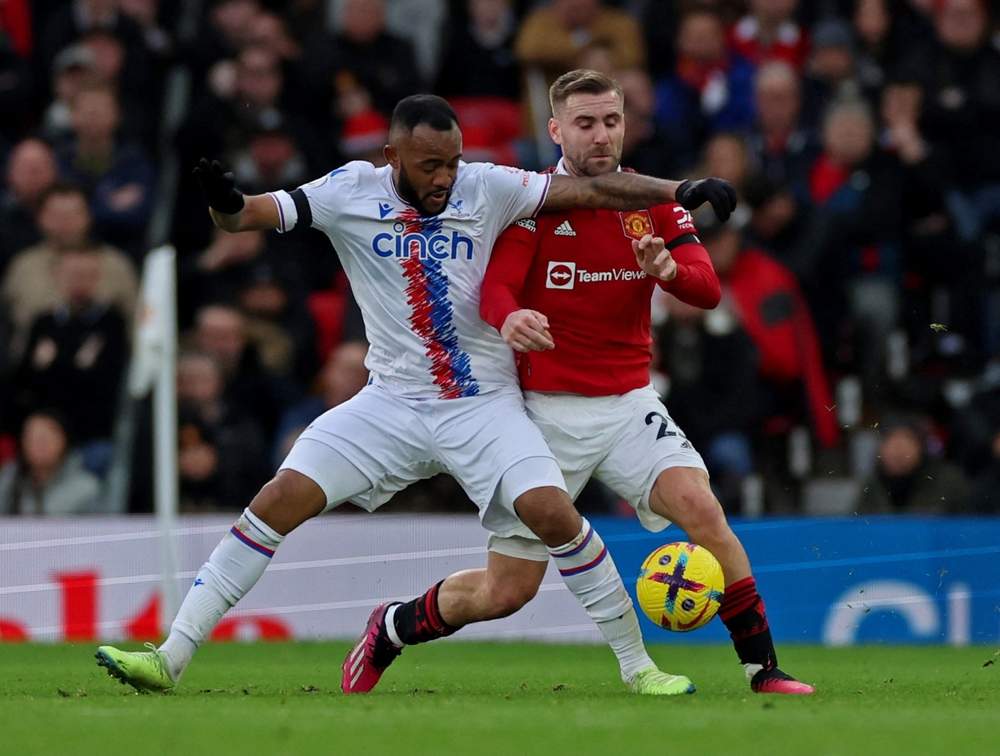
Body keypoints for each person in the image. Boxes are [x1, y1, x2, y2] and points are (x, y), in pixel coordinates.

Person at [93, 93, 736, 696]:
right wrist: (223, 205)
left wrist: (679, 190)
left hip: (484, 404)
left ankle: (639, 669)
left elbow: (595, 189)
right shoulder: (348, 191)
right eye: (431, 165)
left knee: (553, 513)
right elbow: (250, 214)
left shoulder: (489, 185)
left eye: (453, 162)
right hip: (391, 403)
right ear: (391, 157)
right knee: (277, 499)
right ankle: (170, 656)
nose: (446, 178)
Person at [479, 69, 813, 694]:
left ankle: (763, 669)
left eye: (611, 120)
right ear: (555, 130)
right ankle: (393, 627)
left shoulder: (651, 201)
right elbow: (494, 287)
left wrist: (667, 271)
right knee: (505, 592)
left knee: (703, 510)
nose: (601, 134)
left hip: (630, 404)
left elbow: (708, 288)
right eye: (585, 123)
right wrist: (510, 315)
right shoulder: (534, 202)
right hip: (546, 413)